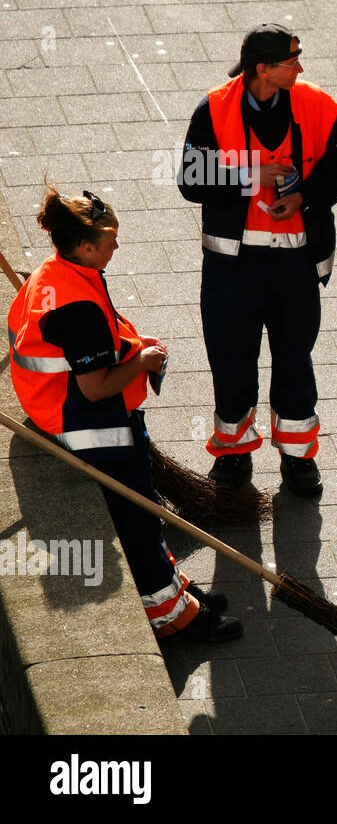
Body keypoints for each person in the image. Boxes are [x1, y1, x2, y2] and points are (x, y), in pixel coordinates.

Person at [8, 187, 242, 641]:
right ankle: (173, 616)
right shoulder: (77, 307)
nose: (117, 245)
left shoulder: (52, 273)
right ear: (86, 245)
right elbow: (95, 389)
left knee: (145, 506)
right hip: (84, 421)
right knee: (137, 515)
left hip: (49, 402)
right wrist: (142, 363)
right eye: (111, 238)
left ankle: (175, 588)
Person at [178, 23, 337, 494]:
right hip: (232, 266)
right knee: (231, 359)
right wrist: (252, 171)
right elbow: (190, 179)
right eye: (291, 61)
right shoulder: (213, 108)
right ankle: (233, 456)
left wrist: (304, 200)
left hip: (294, 263)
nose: (300, 68)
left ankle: (297, 459)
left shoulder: (319, 105)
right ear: (264, 69)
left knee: (295, 360)